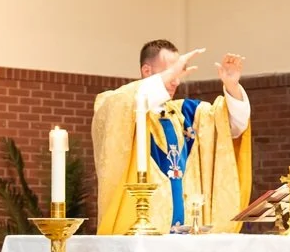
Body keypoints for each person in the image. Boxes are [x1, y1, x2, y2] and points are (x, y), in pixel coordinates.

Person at [92, 41, 253, 235]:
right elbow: (127, 102)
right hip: (138, 236)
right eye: (172, 72)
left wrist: (232, 86)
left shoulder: (186, 114)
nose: (176, 81)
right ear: (147, 71)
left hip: (187, 239)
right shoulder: (118, 107)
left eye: (179, 73)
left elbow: (232, 129)